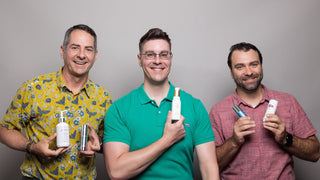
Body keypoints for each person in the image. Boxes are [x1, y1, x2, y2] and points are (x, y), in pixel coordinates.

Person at [103, 28, 219, 180]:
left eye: (164, 55)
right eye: (150, 55)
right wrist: (167, 140)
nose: (157, 61)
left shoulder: (194, 106)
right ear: (139, 59)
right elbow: (116, 172)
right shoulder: (119, 109)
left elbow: (209, 168)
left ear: (171, 58)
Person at [0, 24, 112, 179]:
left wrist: (99, 145)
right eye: (75, 47)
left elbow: (111, 142)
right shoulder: (34, 88)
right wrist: (32, 147)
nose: (81, 55)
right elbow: (4, 130)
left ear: (95, 55)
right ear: (62, 51)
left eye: (88, 49)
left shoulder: (103, 97)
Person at [209, 42, 320, 179]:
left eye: (254, 64)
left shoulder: (288, 102)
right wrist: (234, 142)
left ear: (261, 66)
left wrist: (286, 138)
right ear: (231, 73)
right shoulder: (218, 111)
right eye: (240, 67)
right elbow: (210, 166)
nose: (249, 72)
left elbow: (315, 153)